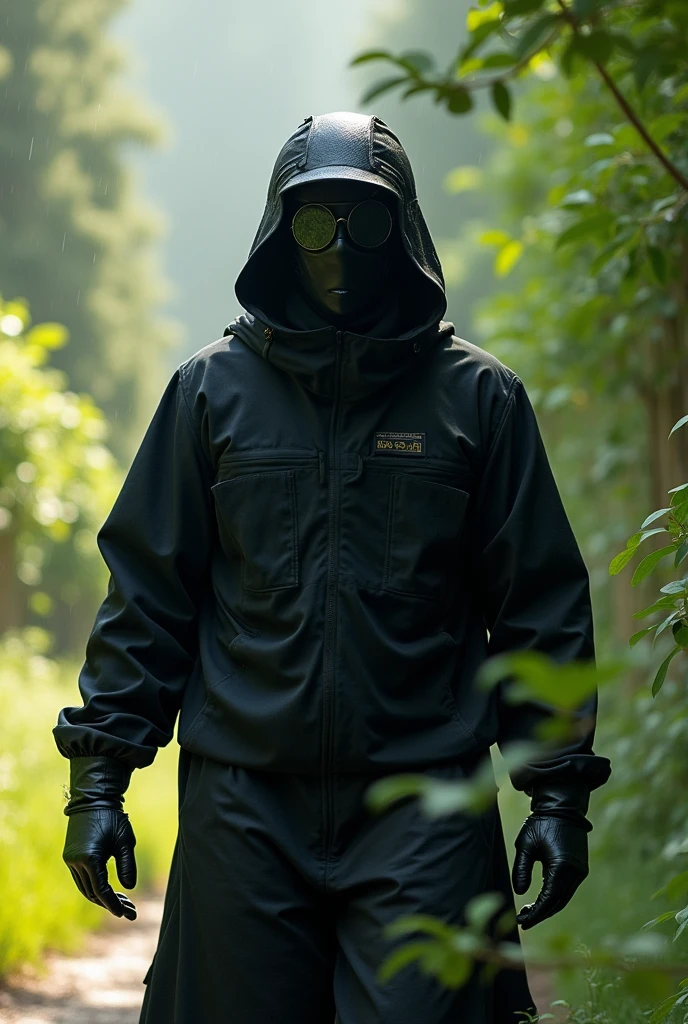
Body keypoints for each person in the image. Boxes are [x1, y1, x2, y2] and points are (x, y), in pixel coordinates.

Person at [54, 111, 612, 1024]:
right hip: (244, 808)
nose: (341, 246)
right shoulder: (209, 394)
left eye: (368, 220)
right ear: (279, 228)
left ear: (408, 229)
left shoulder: (479, 400)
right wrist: (99, 781)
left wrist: (558, 794)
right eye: (315, 222)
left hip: (425, 808)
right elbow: (147, 595)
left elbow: (538, 605)